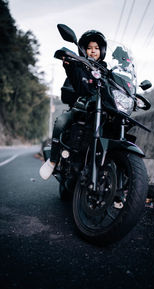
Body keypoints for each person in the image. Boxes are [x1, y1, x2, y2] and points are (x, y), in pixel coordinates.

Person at [39, 30, 107, 180]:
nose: (93, 51)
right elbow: (72, 77)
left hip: (104, 110)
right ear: (84, 50)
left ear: (102, 50)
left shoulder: (107, 71)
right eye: (90, 48)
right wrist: (68, 64)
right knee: (61, 121)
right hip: (82, 108)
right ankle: (52, 161)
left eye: (96, 48)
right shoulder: (79, 66)